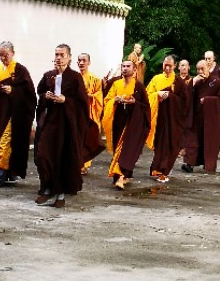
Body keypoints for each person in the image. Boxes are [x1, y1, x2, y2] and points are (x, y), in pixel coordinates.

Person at [34, 44, 103, 208]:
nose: (58, 58)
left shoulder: (75, 77)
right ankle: (47, 186)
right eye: (56, 54)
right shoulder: (49, 75)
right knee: (42, 155)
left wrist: (66, 100)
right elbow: (40, 92)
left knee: (63, 157)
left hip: (67, 124)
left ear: (69, 57)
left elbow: (82, 103)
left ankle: (60, 193)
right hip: (51, 121)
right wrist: (45, 96)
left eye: (62, 55)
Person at [0, 41, 36, 187]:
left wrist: (13, 90)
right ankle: (10, 173)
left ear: (13, 53)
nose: (3, 58)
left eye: (5, 55)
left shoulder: (20, 70)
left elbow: (29, 93)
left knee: (5, 141)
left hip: (15, 113)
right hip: (0, 112)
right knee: (3, 141)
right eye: (0, 55)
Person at [102, 59, 151, 189]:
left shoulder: (139, 86)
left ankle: (121, 176)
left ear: (134, 70)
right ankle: (123, 176)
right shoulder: (116, 84)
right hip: (118, 121)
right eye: (123, 66)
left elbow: (146, 106)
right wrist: (115, 100)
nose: (125, 68)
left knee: (127, 149)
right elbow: (107, 100)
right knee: (118, 148)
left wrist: (134, 102)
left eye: (128, 66)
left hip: (133, 122)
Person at [145, 54, 187, 183]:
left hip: (173, 120)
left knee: (171, 146)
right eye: (165, 65)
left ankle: (164, 171)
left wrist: (170, 96)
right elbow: (147, 95)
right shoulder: (156, 79)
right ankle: (157, 169)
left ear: (175, 66)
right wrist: (157, 94)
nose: (167, 68)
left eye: (170, 65)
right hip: (158, 118)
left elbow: (184, 102)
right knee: (159, 146)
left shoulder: (179, 82)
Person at [181, 60, 220, 173]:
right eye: (198, 69)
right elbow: (185, 97)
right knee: (192, 142)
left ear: (208, 68)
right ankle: (189, 164)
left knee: (208, 143)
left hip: (211, 119)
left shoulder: (216, 82)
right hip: (196, 117)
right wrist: (192, 83)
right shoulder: (196, 82)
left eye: (203, 69)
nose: (200, 71)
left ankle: (208, 165)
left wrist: (208, 100)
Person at [77, 52, 104, 175]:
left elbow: (99, 96)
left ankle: (84, 164)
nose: (81, 63)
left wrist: (89, 96)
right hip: (76, 112)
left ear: (89, 62)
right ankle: (76, 163)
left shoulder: (95, 79)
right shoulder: (74, 77)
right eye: (79, 60)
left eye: (84, 60)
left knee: (87, 138)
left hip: (89, 112)